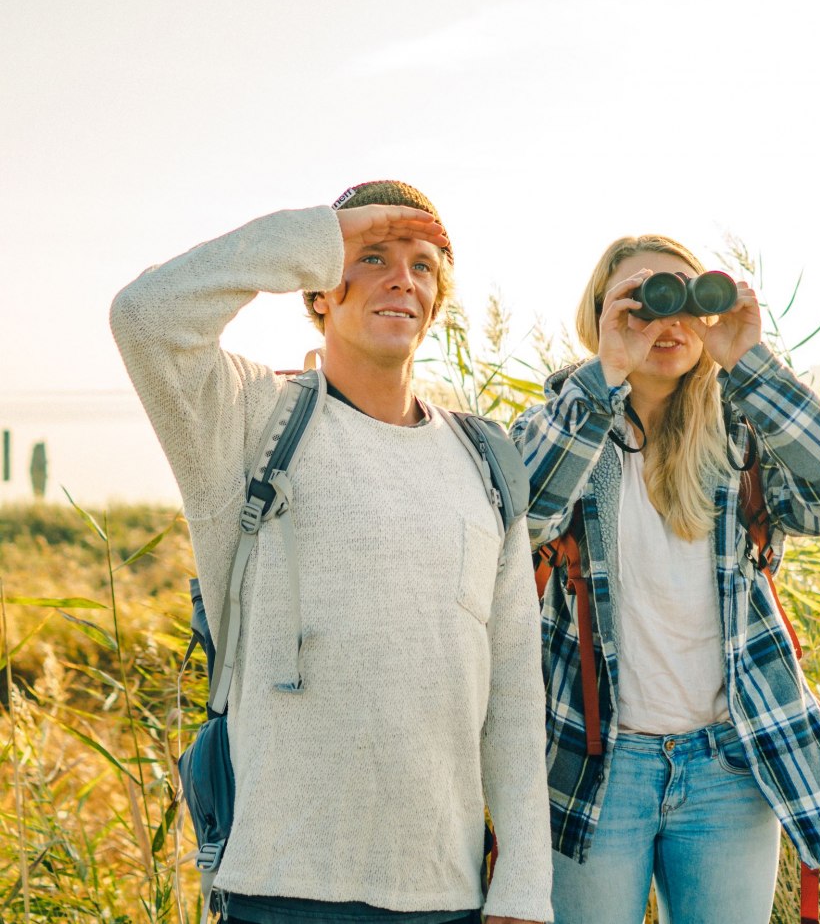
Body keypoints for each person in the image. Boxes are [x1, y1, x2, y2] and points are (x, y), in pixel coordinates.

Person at [110, 181, 553, 924]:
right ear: (318, 290)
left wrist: (524, 889)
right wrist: (321, 233)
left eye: (420, 264)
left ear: (436, 299)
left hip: (445, 894)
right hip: (282, 886)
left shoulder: (486, 457)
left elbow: (511, 689)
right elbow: (145, 317)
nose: (398, 279)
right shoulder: (251, 417)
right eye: (370, 256)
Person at [511, 234, 820, 924]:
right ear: (600, 316)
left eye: (686, 298)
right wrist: (608, 373)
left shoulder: (742, 439)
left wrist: (749, 361)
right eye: (643, 299)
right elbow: (516, 518)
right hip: (598, 763)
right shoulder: (562, 423)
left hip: (729, 765)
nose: (668, 320)